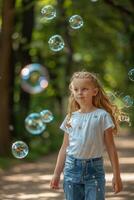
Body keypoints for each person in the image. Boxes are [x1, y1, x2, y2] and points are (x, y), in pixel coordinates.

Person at [50, 71, 123, 200]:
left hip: (94, 170)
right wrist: (56, 174)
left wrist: (117, 175)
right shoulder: (70, 117)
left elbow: (111, 148)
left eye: (84, 89)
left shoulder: (102, 116)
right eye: (76, 89)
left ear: (94, 92)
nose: (79, 92)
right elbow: (64, 148)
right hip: (71, 170)